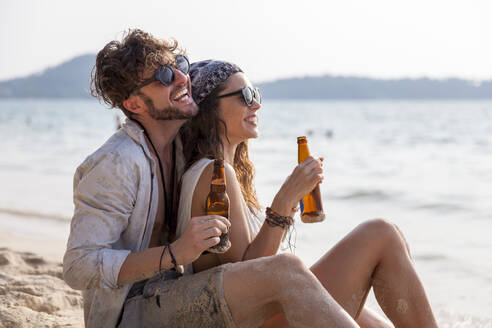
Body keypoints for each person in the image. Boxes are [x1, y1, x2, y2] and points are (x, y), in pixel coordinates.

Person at [63, 29, 362, 328]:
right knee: (288, 269)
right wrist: (175, 252)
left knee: (354, 294)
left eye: (179, 65)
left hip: (171, 294)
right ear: (135, 105)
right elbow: (79, 266)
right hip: (130, 314)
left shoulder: (181, 151)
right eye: (165, 77)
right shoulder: (116, 164)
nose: (182, 78)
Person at [176, 59, 440, 328]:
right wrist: (285, 200)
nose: (256, 105)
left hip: (262, 314)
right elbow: (250, 282)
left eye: (256, 95)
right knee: (381, 234)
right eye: (245, 96)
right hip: (250, 321)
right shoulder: (214, 174)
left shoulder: (227, 172)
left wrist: (287, 208)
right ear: (209, 108)